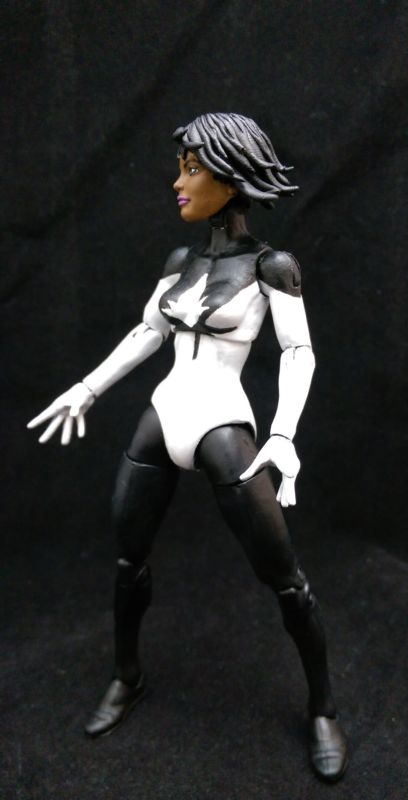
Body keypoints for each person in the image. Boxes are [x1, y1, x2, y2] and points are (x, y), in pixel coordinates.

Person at [28, 113, 348, 782]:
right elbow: (148, 333)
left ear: (230, 178)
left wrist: (283, 434)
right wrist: (87, 388)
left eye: (192, 168)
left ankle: (322, 706)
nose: (178, 182)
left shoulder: (271, 266)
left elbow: (299, 350)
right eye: (180, 166)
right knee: (128, 558)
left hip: (223, 425)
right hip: (162, 416)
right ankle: (127, 675)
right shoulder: (181, 262)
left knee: (284, 577)